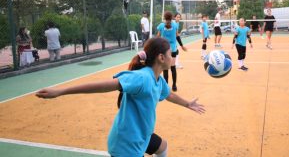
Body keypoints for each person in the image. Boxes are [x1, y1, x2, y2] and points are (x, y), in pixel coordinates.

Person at [36, 37, 205, 157]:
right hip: (126, 145)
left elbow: (169, 95)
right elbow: (103, 86)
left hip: (142, 137)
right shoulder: (142, 78)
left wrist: (187, 104)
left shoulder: (158, 80)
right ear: (161, 58)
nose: (173, 57)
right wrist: (60, 91)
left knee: (162, 147)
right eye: (170, 54)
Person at [157, 11, 187, 92]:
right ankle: (174, 85)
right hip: (173, 49)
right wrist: (182, 45)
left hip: (164, 49)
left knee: (165, 69)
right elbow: (177, 36)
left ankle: (166, 86)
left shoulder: (161, 26)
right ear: (172, 18)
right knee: (173, 67)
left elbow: (158, 38)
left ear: (164, 18)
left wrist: (156, 47)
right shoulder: (174, 25)